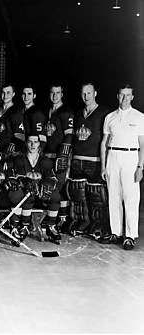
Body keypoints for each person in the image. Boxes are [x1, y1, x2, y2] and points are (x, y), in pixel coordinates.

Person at [99, 84, 144, 250]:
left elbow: (143, 144)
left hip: (131, 157)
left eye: (128, 95)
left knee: (131, 198)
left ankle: (130, 236)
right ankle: (115, 232)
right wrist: (103, 167)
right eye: (122, 95)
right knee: (113, 196)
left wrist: (140, 167)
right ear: (117, 96)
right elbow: (104, 143)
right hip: (113, 157)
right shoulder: (110, 117)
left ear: (132, 97)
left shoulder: (139, 117)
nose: (125, 98)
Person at [66, 83, 109, 238]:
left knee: (96, 197)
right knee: (77, 196)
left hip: (95, 161)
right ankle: (81, 223)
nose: (86, 96)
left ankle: (98, 226)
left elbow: (106, 140)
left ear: (95, 93)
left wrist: (105, 164)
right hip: (77, 160)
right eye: (84, 93)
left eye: (89, 93)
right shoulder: (78, 113)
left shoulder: (104, 113)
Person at [7, 133, 61, 243]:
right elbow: (14, 175)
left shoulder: (45, 160)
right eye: (30, 142)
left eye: (35, 142)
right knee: (23, 194)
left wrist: (47, 183)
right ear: (26, 143)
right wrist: (23, 182)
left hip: (40, 192)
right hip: (25, 192)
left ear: (39, 144)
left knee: (55, 195)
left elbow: (52, 177)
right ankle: (24, 225)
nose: (33, 145)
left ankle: (51, 226)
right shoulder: (19, 159)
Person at [44, 84, 74, 225]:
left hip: (60, 156)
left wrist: (63, 155)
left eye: (58, 93)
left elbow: (69, 135)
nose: (55, 96)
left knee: (60, 188)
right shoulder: (47, 111)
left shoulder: (66, 112)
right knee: (49, 187)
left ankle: (63, 220)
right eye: (52, 92)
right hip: (48, 155)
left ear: (62, 94)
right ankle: (52, 218)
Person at [0, 83, 20, 155]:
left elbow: (20, 135)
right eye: (3, 93)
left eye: (8, 93)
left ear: (13, 94)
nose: (5, 95)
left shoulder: (17, 112)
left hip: (8, 153)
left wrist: (13, 145)